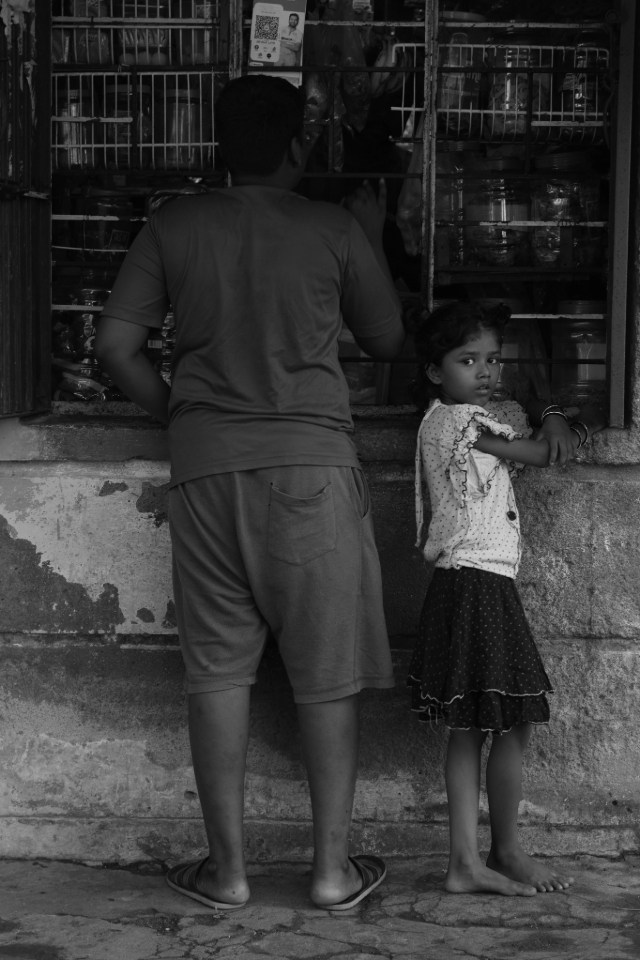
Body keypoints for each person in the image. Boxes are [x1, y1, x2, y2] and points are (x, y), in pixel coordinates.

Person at [95, 75, 405, 911]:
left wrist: (185, 415)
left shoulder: (174, 224)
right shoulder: (331, 226)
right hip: (311, 469)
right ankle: (333, 872)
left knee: (218, 677)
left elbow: (117, 344)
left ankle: (227, 874)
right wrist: (366, 242)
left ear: (217, 149)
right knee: (325, 676)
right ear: (299, 144)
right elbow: (386, 339)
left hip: (205, 475)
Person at [407, 301, 605, 897]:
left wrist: (548, 412)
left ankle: (481, 857)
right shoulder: (457, 423)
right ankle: (493, 854)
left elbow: (535, 424)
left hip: (479, 581)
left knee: (479, 727)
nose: (486, 371)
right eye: (468, 360)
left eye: (492, 359)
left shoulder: (469, 415)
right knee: (505, 723)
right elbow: (546, 453)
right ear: (436, 372)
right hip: (475, 584)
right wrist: (554, 421)